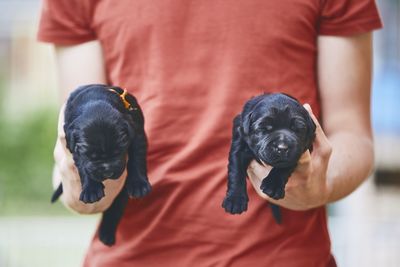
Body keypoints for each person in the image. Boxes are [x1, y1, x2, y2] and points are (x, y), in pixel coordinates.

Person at [38, 0, 382, 266]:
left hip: (281, 256)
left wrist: (319, 184)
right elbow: (74, 135)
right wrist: (81, 181)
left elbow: (352, 133)